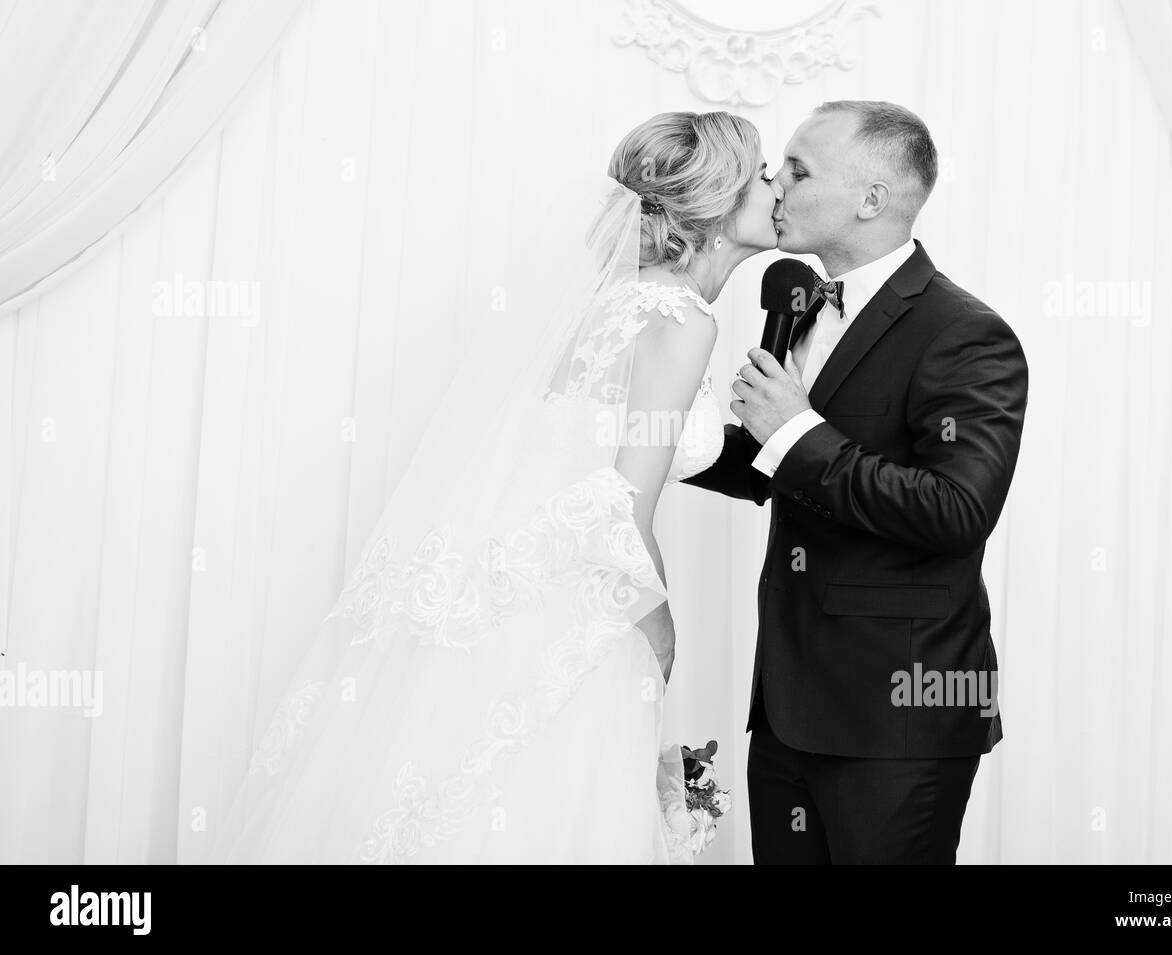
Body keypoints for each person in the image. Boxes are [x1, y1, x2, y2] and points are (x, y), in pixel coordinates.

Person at [202, 111, 777, 864]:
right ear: (718, 199)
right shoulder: (679, 316)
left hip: (518, 595)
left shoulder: (606, 304)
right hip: (586, 604)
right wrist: (661, 626)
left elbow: (566, 466)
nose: (774, 186)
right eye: (763, 172)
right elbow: (620, 507)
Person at [683, 101, 1030, 864]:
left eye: (799, 169)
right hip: (785, 710)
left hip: (897, 719)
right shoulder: (801, 303)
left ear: (871, 200)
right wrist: (671, 439)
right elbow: (782, 467)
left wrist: (799, 430)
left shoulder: (966, 333)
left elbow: (956, 510)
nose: (775, 181)